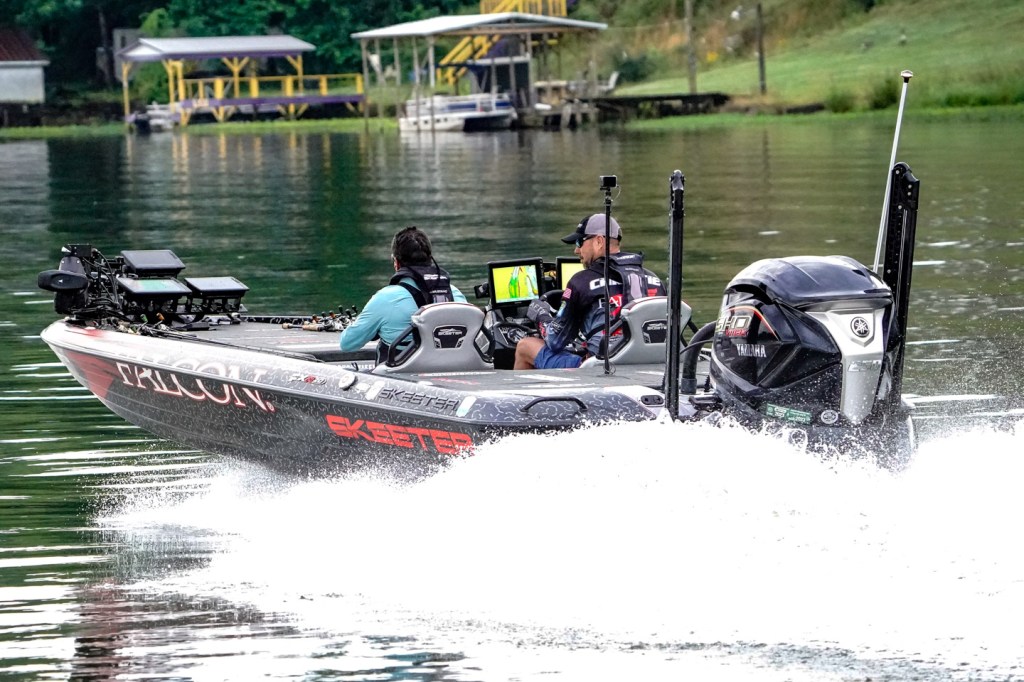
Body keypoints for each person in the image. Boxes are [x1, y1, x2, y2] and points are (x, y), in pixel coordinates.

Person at [514, 213, 665, 370]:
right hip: (648, 367)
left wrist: (541, 315)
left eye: (580, 242)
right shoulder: (654, 279)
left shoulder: (581, 282)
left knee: (524, 347)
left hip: (599, 369)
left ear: (599, 241)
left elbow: (555, 341)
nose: (576, 250)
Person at [340, 226, 466, 362]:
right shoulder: (456, 295)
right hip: (451, 367)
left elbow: (347, 344)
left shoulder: (385, 299)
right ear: (430, 259)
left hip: (403, 372)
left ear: (396, 263)